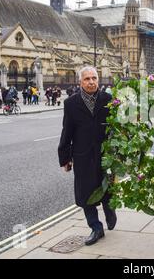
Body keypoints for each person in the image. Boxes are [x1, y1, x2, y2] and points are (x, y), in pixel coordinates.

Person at [58, 66, 117, 246]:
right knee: (85, 194)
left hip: (105, 153)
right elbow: (67, 131)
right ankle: (95, 227)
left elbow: (118, 128)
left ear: (98, 80)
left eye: (94, 78)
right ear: (80, 82)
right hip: (82, 155)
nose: (91, 82)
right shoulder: (71, 103)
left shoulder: (109, 100)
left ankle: (109, 210)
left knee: (107, 188)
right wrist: (65, 157)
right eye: (87, 79)